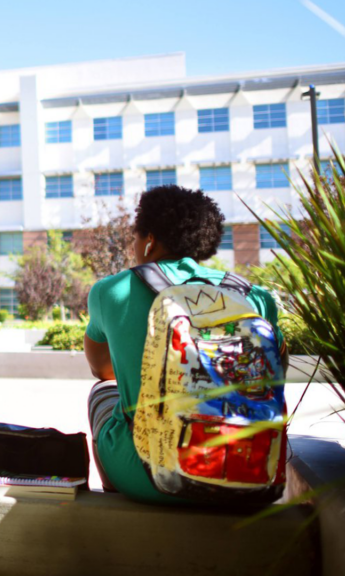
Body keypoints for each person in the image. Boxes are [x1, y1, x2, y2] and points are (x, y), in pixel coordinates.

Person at [84, 185, 285, 505]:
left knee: (103, 391)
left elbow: (101, 369)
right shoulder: (254, 297)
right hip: (247, 476)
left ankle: (113, 492)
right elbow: (274, 376)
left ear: (149, 240)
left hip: (149, 479)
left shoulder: (112, 291)